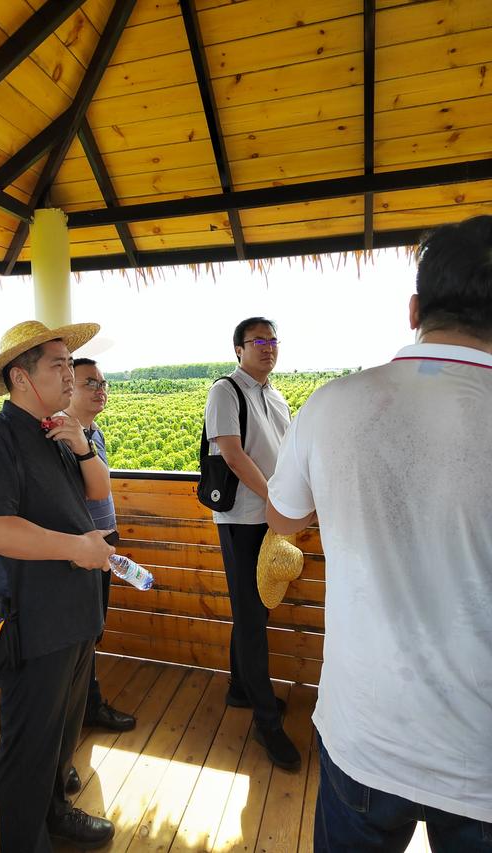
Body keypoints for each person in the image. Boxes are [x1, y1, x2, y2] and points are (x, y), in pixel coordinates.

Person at [266, 216, 492, 851]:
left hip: (365, 736)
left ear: (415, 308)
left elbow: (284, 518)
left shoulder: (334, 403)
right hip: (481, 759)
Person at [0, 320, 117, 853]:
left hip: (73, 616)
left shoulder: (56, 433)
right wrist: (77, 549)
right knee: (28, 745)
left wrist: (81, 446)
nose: (71, 374)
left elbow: (98, 493)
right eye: (59, 364)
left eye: (71, 365)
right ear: (21, 378)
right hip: (32, 623)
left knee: (61, 737)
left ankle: (54, 813)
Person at [203, 316, 301, 771]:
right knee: (250, 613)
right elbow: (232, 453)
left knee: (253, 610)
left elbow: (289, 452)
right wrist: (276, 498)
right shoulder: (226, 391)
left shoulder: (276, 396)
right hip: (243, 518)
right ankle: (266, 721)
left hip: (270, 515)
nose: (268, 346)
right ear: (238, 350)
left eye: (273, 339)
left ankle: (240, 689)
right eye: (257, 340)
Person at [62, 357, 136, 795]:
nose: (100, 390)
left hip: (102, 545)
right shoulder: (63, 437)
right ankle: (61, 754)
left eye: (103, 383)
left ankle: (90, 707)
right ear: (69, 386)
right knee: (76, 644)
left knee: (93, 634)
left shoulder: (93, 434)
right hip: (78, 553)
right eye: (90, 383)